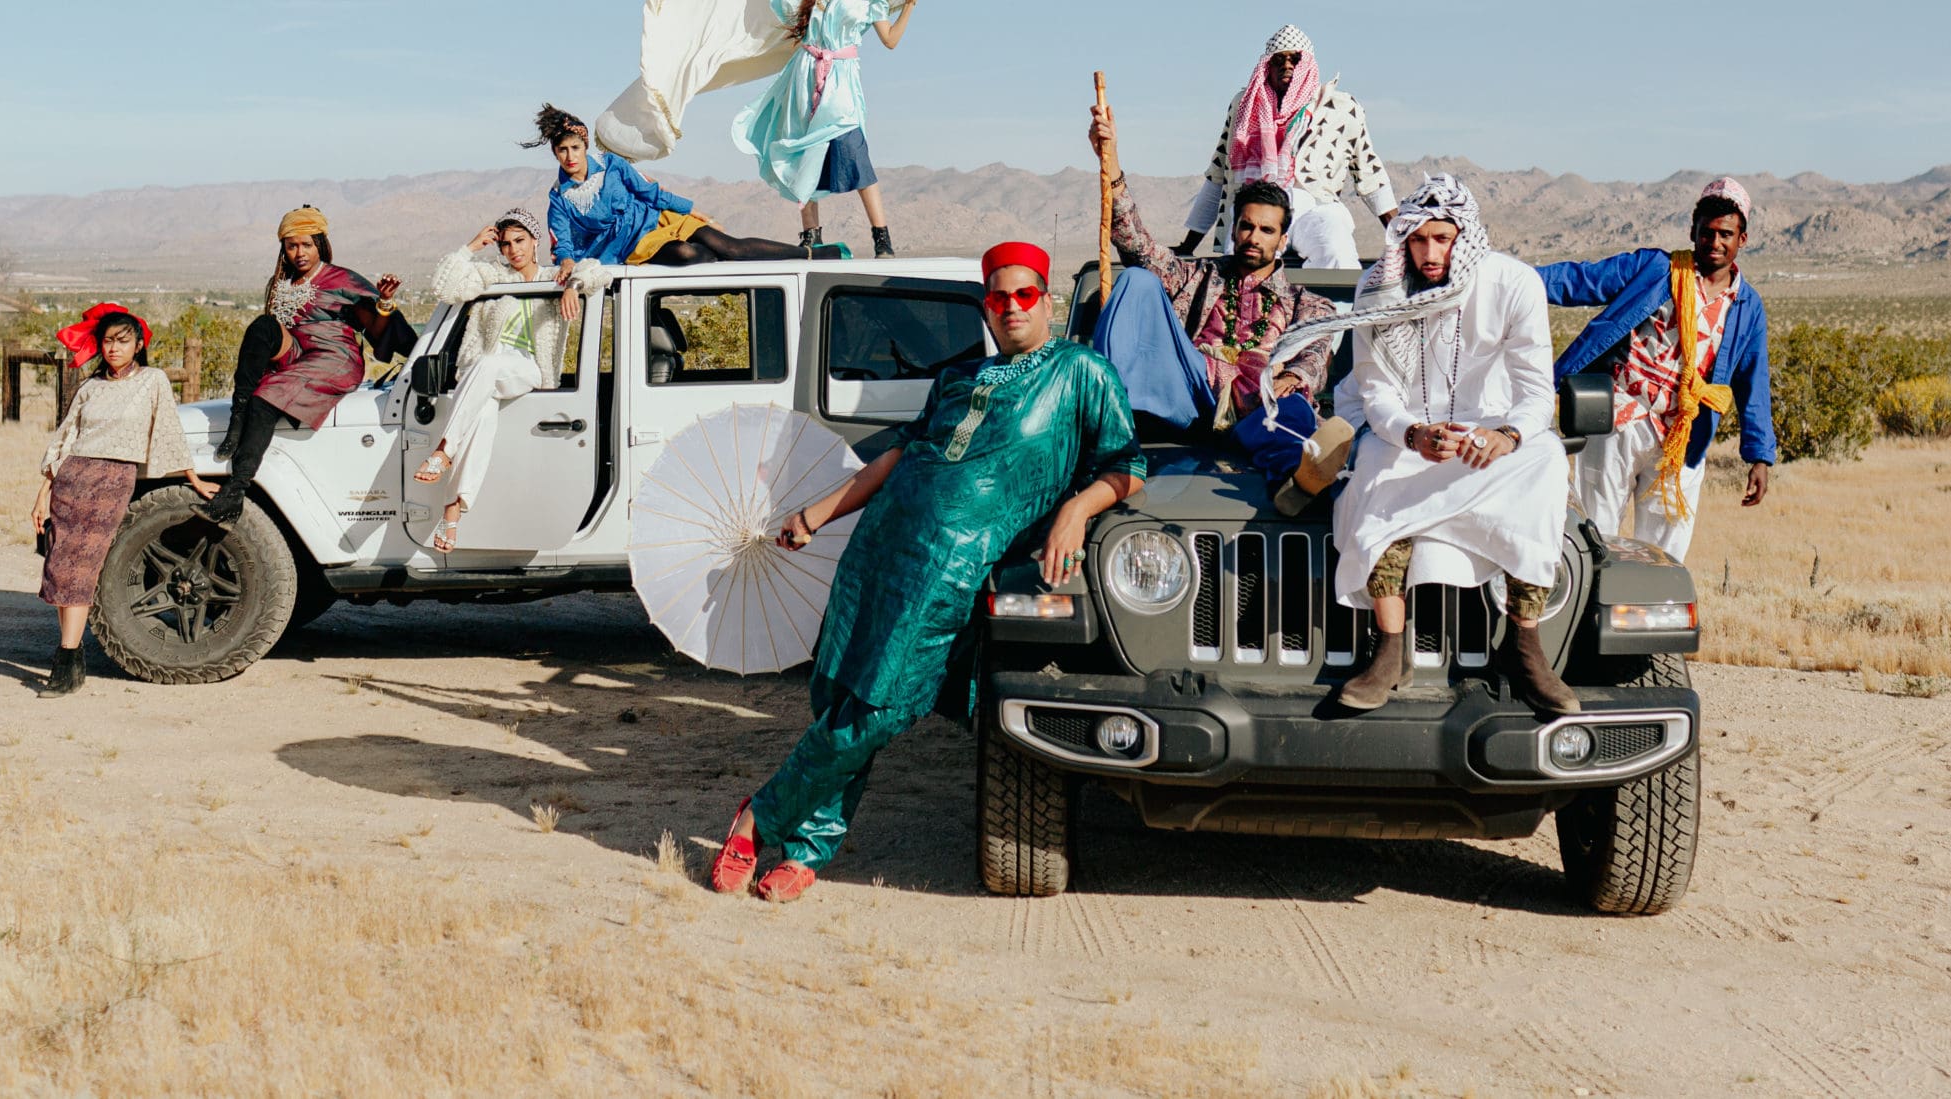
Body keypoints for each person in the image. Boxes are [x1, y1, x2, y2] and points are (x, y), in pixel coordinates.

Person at [708, 241, 1145, 903]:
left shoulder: (1081, 372)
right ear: (986, 307)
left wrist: (1076, 512)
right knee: (846, 695)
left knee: (883, 708)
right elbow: (902, 455)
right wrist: (820, 512)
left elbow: (1128, 465)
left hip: (954, 572)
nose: (1011, 307)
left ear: (1048, 301)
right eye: (998, 297)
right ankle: (808, 849)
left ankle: (760, 816)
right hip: (884, 549)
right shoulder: (957, 378)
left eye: (1024, 294)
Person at [1259, 175, 1576, 715]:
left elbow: (1535, 393)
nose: (1430, 253)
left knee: (1546, 464)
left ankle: (1523, 648)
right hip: (1406, 435)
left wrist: (1507, 436)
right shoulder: (1379, 289)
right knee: (1375, 472)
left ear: (1465, 236)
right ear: (1403, 238)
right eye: (1419, 239)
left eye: (1443, 239)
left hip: (1491, 442)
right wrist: (1414, 434)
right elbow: (1376, 391)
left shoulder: (1513, 284)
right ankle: (1389, 650)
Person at [1084, 97, 1337, 487]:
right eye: (1247, 227)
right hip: (1191, 399)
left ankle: (1296, 481)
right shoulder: (1200, 275)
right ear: (1234, 230)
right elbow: (1137, 246)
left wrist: (1293, 378)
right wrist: (1112, 163)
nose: (1253, 238)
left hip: (1257, 406)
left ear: (1283, 239)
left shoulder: (1306, 303)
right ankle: (1105, 423)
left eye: (1266, 230)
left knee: (1295, 413)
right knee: (1137, 279)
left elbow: (1317, 353)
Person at [1536, 177, 1775, 562]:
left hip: (1683, 437)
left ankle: (1655, 620)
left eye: (1726, 234)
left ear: (1742, 239)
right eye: (1707, 232)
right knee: (1594, 538)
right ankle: (1593, 617)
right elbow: (1581, 281)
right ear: (1693, 231)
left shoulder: (1747, 306)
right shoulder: (1656, 270)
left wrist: (1759, 457)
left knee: (1664, 552)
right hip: (1619, 421)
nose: (1715, 242)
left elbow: (1753, 383)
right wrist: (1512, 279)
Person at [29, 303, 217, 695]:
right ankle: (71, 655)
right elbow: (65, 437)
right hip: (72, 477)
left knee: (81, 568)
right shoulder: (90, 387)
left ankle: (66, 659)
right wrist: (42, 494)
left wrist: (193, 478)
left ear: (138, 344)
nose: (113, 348)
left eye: (122, 341)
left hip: (113, 479)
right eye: (107, 341)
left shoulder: (152, 381)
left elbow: (167, 429)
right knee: (62, 567)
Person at [716, 0, 914, 257]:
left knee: (854, 148)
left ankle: (881, 237)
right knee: (799, 149)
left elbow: (891, 40)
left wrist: (910, 4)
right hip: (804, 74)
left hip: (841, 78)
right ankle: (811, 234)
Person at [200, 207, 414, 524]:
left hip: (333, 357)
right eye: (292, 246)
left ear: (319, 244)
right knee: (262, 327)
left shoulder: (342, 279)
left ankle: (234, 492)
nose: (299, 253)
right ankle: (237, 416)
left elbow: (380, 331)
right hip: (298, 350)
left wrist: (382, 303)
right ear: (283, 248)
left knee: (267, 397)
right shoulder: (281, 282)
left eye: (306, 245)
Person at [415, 208, 612, 550]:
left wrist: (573, 285)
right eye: (505, 244)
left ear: (535, 241)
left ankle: (446, 448)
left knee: (489, 366)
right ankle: (452, 513)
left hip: (528, 368)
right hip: (483, 374)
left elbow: (598, 272)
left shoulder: (556, 276)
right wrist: (470, 248)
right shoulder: (494, 275)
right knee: (483, 417)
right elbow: (445, 288)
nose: (513, 250)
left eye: (520, 241)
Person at [1178, 25, 1398, 271]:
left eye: (1295, 59)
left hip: (1316, 209)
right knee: (1238, 261)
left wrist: (1403, 242)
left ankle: (1336, 309)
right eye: (1279, 60)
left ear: (1307, 65)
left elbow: (1370, 175)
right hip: (1256, 210)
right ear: (1267, 66)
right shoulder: (1244, 106)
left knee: (1337, 249)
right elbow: (1219, 172)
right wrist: (1188, 246)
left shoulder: (1342, 108)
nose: (1287, 65)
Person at [528, 104, 832, 268]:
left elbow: (650, 193)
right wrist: (567, 261)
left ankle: (815, 255)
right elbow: (562, 240)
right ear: (555, 152)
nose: (570, 156)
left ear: (584, 145)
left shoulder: (612, 165)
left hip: (657, 218)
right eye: (562, 150)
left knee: (731, 246)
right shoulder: (559, 196)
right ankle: (717, 257)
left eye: (575, 148)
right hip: (630, 244)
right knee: (687, 255)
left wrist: (694, 211)